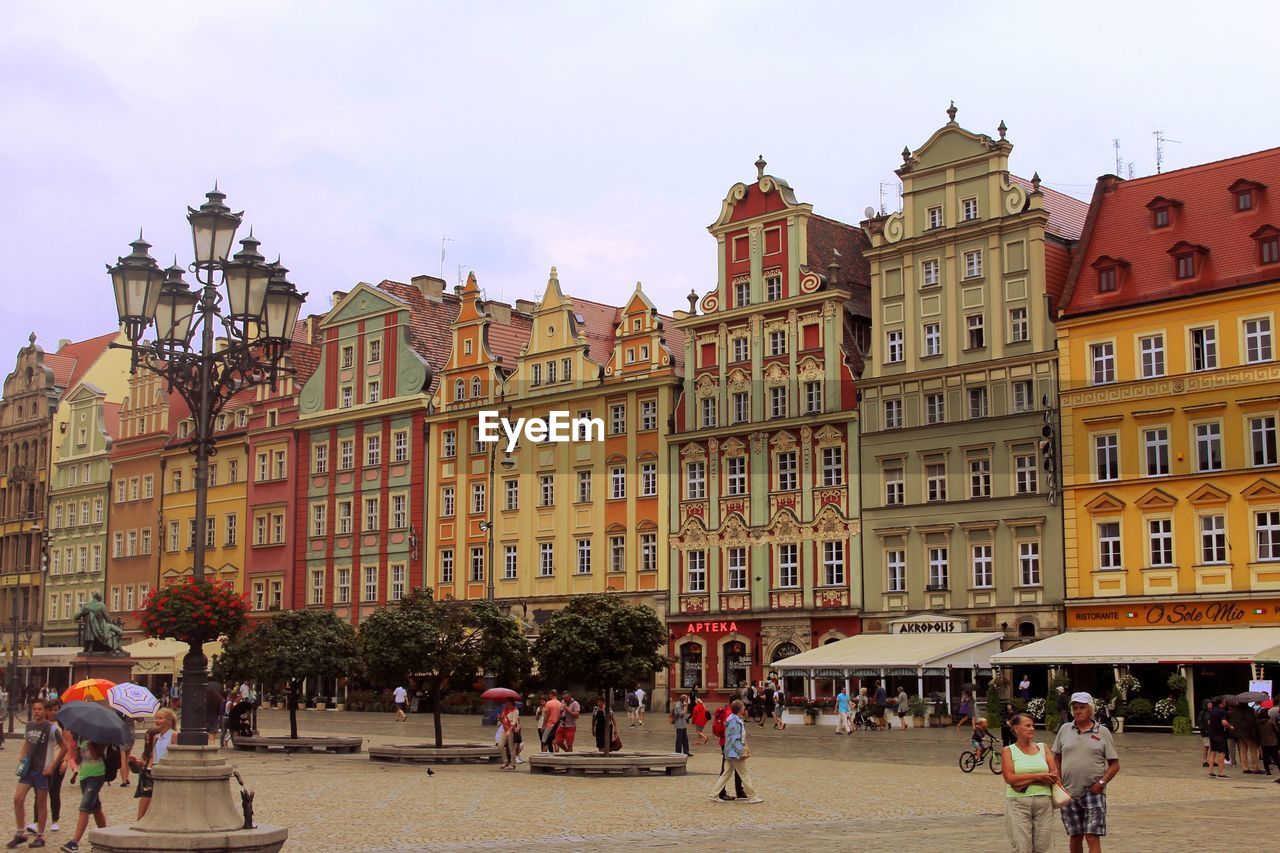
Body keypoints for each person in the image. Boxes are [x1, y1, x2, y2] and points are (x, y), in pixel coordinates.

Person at [1053, 692, 1120, 853]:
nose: (1078, 711)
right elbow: (1056, 758)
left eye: (1082, 707)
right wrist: (1058, 780)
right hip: (1069, 791)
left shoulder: (1102, 732)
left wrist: (1101, 783)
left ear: (1090, 709)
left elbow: (1114, 765)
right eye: (1075, 708)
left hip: (1093, 791)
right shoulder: (1065, 729)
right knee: (1075, 835)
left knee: (1092, 835)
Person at [1001, 712, 1060, 853]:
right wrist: (1039, 777)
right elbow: (1010, 778)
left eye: (1033, 725)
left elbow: (1054, 774)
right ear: (1016, 729)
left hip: (1043, 803)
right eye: (1027, 725)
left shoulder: (1043, 747)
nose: (1032, 728)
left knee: (1044, 848)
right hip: (1018, 803)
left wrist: (1024, 779)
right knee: (1022, 847)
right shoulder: (1008, 751)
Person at [7, 698, 58, 849]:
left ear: (45, 711)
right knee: (18, 798)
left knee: (41, 803)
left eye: (40, 709)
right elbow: (27, 742)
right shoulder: (29, 726)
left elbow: (64, 747)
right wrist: (22, 756)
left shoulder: (51, 728)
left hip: (42, 770)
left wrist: (53, 766)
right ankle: (20, 832)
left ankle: (40, 836)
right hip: (29, 769)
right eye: (35, 709)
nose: (37, 712)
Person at [60, 731, 109, 853]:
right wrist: (76, 752)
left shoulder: (100, 737)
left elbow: (96, 755)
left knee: (84, 807)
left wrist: (91, 742)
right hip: (84, 775)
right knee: (96, 808)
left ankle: (74, 843)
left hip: (97, 775)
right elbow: (78, 761)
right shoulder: (80, 737)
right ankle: (107, 837)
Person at [708, 700, 762, 804]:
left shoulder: (733, 719)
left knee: (726, 774)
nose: (744, 708)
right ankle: (752, 796)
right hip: (734, 753)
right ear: (740, 709)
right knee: (745, 773)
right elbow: (734, 738)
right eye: (743, 707)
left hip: (730, 752)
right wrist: (740, 752)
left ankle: (713, 794)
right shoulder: (734, 721)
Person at [135, 708, 176, 820]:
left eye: (160, 718)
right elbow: (153, 757)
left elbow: (176, 756)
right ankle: (140, 820)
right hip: (155, 772)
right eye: (156, 718)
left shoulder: (174, 735)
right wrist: (143, 764)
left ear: (169, 721)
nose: (157, 721)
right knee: (145, 797)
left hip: (167, 772)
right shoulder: (156, 738)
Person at [1206, 696, 1231, 778]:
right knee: (1221, 753)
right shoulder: (1222, 711)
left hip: (1212, 734)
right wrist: (1230, 726)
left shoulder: (1212, 711)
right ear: (1222, 703)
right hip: (1220, 734)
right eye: (1224, 701)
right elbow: (1224, 722)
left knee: (1212, 752)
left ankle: (1210, 771)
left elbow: (1209, 722)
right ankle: (1221, 772)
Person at [1256, 704, 1278, 776]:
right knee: (1276, 757)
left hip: (1263, 742)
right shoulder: (1270, 722)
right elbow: (1276, 730)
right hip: (1272, 741)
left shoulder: (1258, 723)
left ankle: (1267, 771)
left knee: (1265, 757)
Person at [497, 697, 519, 770]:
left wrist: (509, 730)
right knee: (500, 745)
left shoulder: (515, 710)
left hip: (511, 730)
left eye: (507, 702)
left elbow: (514, 722)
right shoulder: (505, 709)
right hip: (504, 729)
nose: (506, 703)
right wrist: (500, 717)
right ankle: (505, 761)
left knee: (511, 746)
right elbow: (502, 719)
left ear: (511, 702)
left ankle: (513, 764)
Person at [1197, 700, 1213, 768]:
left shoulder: (1213, 711)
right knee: (1206, 746)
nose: (1210, 705)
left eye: (1210, 704)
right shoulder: (1202, 713)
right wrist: (1204, 729)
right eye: (1208, 704)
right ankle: (1204, 761)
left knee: (1213, 747)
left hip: (1213, 732)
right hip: (1205, 732)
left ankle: (1212, 760)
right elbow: (1199, 722)